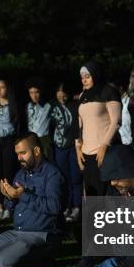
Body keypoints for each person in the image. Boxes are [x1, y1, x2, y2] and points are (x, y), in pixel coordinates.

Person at [0, 133, 64, 267]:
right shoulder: (21, 173)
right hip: (16, 232)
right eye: (17, 154)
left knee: (2, 263)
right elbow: (11, 207)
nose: (19, 158)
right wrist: (9, 197)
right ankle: (19, 257)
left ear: (37, 151)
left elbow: (55, 207)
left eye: (23, 153)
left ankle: (43, 258)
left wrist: (22, 196)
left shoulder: (52, 174)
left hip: (41, 234)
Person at [76, 61, 122, 196]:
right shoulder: (82, 95)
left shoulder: (109, 92)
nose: (84, 80)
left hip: (105, 151)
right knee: (91, 194)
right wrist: (78, 147)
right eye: (82, 77)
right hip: (86, 153)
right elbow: (79, 124)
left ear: (96, 75)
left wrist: (104, 145)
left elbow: (116, 121)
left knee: (108, 194)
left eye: (87, 76)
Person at [0, 79, 22, 221]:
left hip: (9, 142)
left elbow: (18, 126)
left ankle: (9, 207)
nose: (0, 90)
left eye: (3, 87)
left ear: (8, 89)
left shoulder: (14, 106)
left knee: (8, 175)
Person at [50, 84, 82, 223]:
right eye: (58, 92)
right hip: (59, 147)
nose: (61, 95)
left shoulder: (75, 105)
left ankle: (77, 207)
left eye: (63, 93)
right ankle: (66, 206)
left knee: (76, 178)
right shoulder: (52, 107)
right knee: (64, 178)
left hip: (74, 147)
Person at [25, 78, 53, 159]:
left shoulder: (49, 105)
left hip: (45, 140)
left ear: (41, 91)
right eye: (31, 93)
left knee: (47, 162)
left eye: (36, 92)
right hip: (31, 139)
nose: (34, 96)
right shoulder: (27, 106)